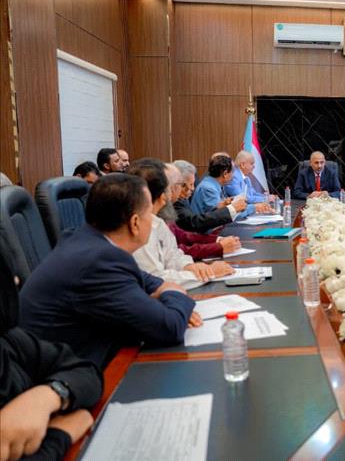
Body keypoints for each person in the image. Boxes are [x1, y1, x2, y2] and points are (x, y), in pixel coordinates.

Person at [19, 173, 200, 368]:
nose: (154, 220)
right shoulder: (98, 262)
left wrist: (166, 294)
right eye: (150, 214)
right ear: (135, 223)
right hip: (71, 374)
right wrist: (176, 294)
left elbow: (150, 283)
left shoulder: (88, 243)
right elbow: (169, 327)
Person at [0, 251, 102, 461]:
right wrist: (59, 435)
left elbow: (84, 370)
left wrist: (48, 395)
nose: (16, 281)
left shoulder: (9, 340)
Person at [130, 159, 234, 289]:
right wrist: (208, 273)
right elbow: (155, 280)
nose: (178, 190)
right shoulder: (139, 227)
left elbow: (173, 254)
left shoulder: (158, 221)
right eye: (176, 185)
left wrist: (189, 266)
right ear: (163, 195)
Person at [163, 163, 241, 261]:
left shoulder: (178, 202)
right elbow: (194, 224)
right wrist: (218, 247)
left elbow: (182, 235)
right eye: (188, 184)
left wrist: (217, 240)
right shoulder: (171, 206)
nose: (192, 188)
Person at [192, 155, 271, 219]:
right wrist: (254, 207)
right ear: (225, 174)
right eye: (232, 172)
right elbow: (223, 215)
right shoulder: (208, 188)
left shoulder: (215, 185)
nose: (233, 176)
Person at [173, 159, 235, 233]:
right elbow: (194, 223)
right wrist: (231, 210)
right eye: (191, 184)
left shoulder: (182, 198)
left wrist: (219, 206)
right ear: (178, 185)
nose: (193, 189)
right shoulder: (174, 202)